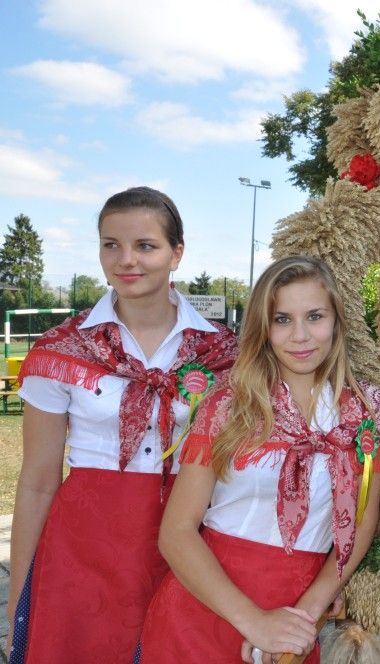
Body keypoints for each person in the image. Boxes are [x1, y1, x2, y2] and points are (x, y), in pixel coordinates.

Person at [7, 186, 238, 663]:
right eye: (111, 244)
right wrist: (21, 598)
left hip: (191, 537)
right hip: (84, 546)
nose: (126, 260)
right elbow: (36, 483)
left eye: (145, 246)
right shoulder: (60, 351)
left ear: (177, 254)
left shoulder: (228, 353)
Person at [138, 255, 380, 663]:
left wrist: (306, 615)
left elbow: (362, 521)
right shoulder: (229, 403)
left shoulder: (365, 410)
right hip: (204, 609)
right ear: (263, 328)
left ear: (337, 322)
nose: (301, 336)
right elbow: (176, 533)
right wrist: (255, 623)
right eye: (282, 320)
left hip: (296, 619)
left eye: (314, 316)